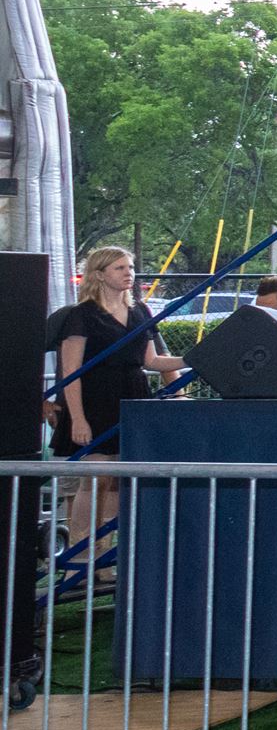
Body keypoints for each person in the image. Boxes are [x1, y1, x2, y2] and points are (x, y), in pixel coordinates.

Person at [54, 246, 187, 578]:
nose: (129, 273)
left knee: (115, 480)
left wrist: (192, 360)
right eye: (119, 268)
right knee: (95, 478)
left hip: (131, 394)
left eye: (130, 267)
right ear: (99, 274)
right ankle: (79, 554)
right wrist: (79, 417)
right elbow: (71, 371)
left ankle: (104, 550)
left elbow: (152, 361)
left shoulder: (139, 311)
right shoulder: (82, 314)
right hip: (94, 398)